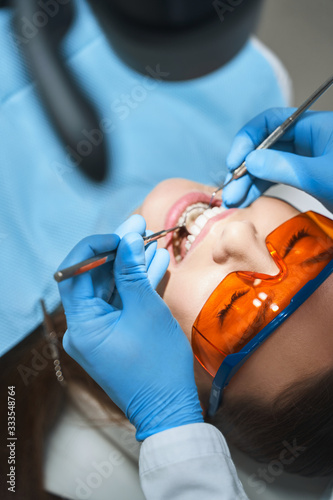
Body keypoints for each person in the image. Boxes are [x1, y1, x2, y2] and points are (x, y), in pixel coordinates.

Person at [57, 109, 333, 499]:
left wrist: (168, 418)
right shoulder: (227, 101)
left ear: (184, 388)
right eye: (302, 243)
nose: (238, 233)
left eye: (233, 305)